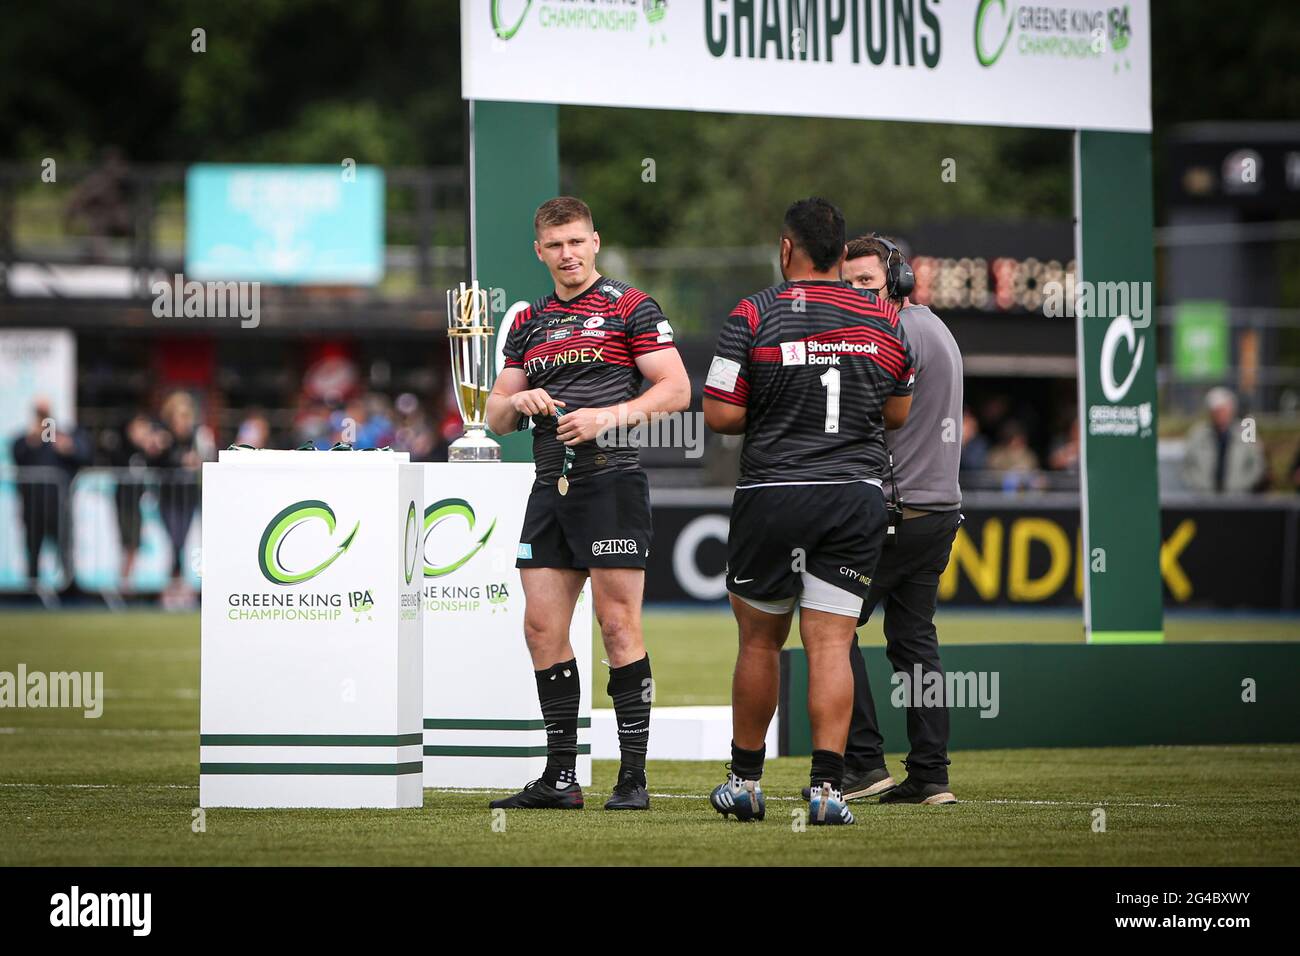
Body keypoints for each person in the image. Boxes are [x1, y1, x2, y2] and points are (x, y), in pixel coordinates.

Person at [702, 200, 914, 826]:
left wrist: (773, 406)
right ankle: (828, 790)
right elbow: (897, 412)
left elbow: (719, 414)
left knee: (760, 641)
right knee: (831, 645)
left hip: (774, 492)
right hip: (854, 495)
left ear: (787, 248)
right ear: (843, 254)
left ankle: (745, 781)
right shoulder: (881, 316)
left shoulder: (754, 313)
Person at [484, 196, 690, 811]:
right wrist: (518, 404)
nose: (567, 254)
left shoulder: (630, 305)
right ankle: (560, 778)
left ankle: (632, 780)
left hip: (612, 481)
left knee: (617, 625)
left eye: (577, 242)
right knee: (542, 626)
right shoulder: (530, 321)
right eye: (555, 245)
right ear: (539, 251)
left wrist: (610, 416)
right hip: (550, 487)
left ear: (594, 242)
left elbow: (676, 388)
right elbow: (493, 415)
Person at [818, 233, 964, 806]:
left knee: (830, 630)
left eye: (866, 283)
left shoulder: (892, 335)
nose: (856, 293)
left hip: (895, 513)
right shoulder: (934, 326)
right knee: (914, 642)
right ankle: (930, 775)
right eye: (848, 283)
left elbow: (860, 417)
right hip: (939, 512)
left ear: (897, 281)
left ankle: (863, 762)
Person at [10, 398, 91, 593]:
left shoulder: (63, 437)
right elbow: (17, 454)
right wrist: (32, 440)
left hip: (58, 503)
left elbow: (84, 455)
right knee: (33, 548)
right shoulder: (27, 438)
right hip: (32, 504)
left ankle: (69, 587)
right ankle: (32, 588)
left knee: (64, 547)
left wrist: (68, 447)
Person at [1181, 387, 1266, 493]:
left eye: (1223, 409)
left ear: (1232, 409)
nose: (1220, 414)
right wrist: (1199, 486)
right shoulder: (1197, 433)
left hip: (1238, 498)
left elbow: (1257, 465)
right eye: (1216, 410)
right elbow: (1187, 465)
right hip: (1204, 499)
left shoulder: (1247, 431)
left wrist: (1242, 485)